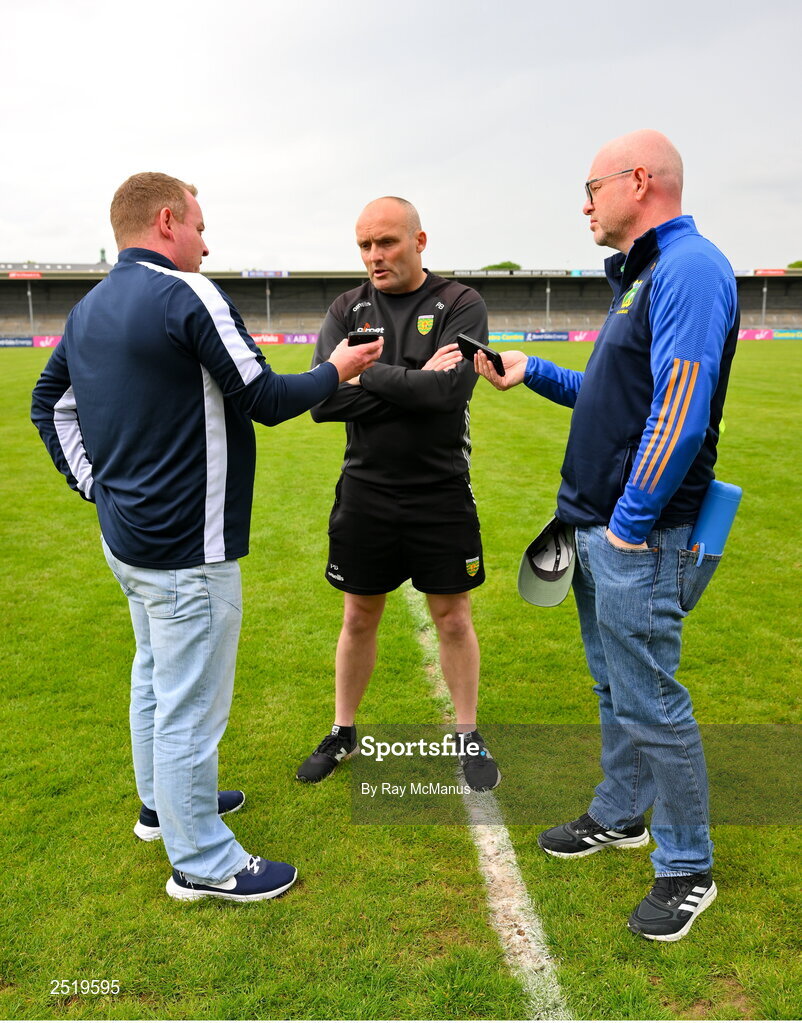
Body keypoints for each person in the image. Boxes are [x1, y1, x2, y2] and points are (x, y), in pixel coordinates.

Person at [31, 172, 382, 902]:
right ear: (167, 221)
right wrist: (336, 368)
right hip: (189, 547)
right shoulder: (186, 292)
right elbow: (265, 398)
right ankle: (202, 861)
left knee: (154, 675)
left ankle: (164, 807)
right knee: (189, 701)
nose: (206, 240)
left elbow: (49, 405)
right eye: (198, 224)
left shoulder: (90, 305)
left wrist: (97, 487)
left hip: (129, 541)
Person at [475, 131, 739, 941]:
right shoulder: (646, 275)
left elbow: (681, 410)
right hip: (596, 525)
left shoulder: (689, 268)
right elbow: (617, 396)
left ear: (638, 180)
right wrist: (538, 372)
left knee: (653, 699)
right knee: (614, 689)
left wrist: (627, 527)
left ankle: (687, 865)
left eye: (591, 187)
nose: (584, 204)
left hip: (639, 535)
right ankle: (622, 814)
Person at [295, 196, 500, 792]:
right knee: (358, 614)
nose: (374, 256)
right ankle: (342, 730)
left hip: (441, 491)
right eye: (364, 245)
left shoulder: (461, 303)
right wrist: (413, 381)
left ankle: (466, 732)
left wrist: (363, 372)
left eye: (386, 242)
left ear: (419, 240)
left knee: (453, 617)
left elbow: (450, 395)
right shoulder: (348, 306)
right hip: (366, 492)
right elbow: (324, 400)